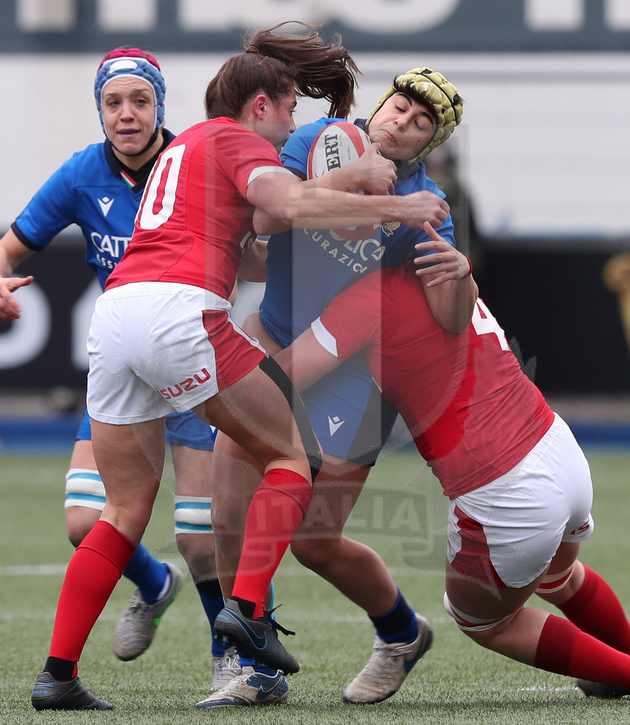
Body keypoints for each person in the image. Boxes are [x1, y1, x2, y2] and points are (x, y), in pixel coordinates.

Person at [27, 22, 451, 711]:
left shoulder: (188, 145)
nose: (292, 122)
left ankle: (58, 672)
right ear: (260, 106)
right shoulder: (254, 141)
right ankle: (250, 622)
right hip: (191, 316)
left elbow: (259, 226)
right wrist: (389, 202)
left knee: (136, 509)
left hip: (124, 317)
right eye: (286, 108)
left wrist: (355, 190)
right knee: (281, 467)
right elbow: (279, 205)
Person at [275, 245, 630, 706]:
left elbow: (282, 377)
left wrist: (209, 375)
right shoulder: (439, 268)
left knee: (486, 622)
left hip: (505, 489)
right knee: (560, 575)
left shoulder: (365, 295)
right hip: (557, 447)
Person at [0, 47, 242, 690]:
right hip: (125, 363)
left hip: (186, 360)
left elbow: (257, 243)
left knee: (200, 538)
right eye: (113, 103)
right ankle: (153, 585)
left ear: (160, 106)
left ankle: (231, 660)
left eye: (140, 101)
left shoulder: (198, 165)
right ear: (100, 111)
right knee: (83, 523)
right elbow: (1, 253)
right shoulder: (81, 175)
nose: (127, 115)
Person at [207, 67, 473, 708]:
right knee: (229, 518)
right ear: (382, 104)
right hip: (274, 343)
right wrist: (355, 182)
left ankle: (401, 633)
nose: (403, 122)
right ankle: (249, 665)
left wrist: (459, 276)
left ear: (430, 142)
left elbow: (450, 321)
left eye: (421, 122)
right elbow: (267, 222)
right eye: (401, 106)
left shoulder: (427, 208)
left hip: (356, 384)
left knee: (314, 543)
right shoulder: (321, 139)